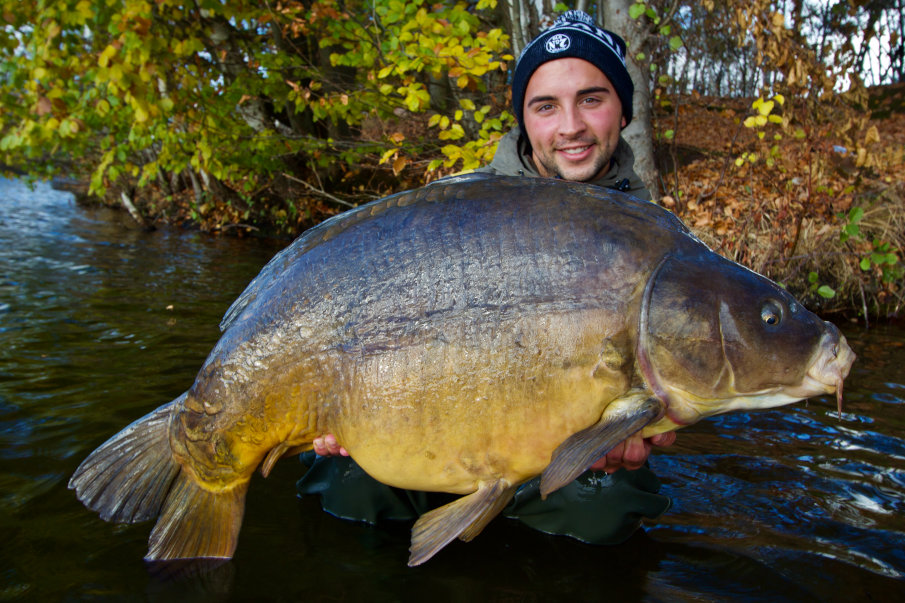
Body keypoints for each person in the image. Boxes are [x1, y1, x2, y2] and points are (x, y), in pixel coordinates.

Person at [297, 10, 674, 546]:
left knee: (603, 508)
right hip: (429, 434)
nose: (571, 126)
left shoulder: (656, 244)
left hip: (555, 457)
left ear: (622, 109)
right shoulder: (457, 212)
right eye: (546, 106)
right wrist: (342, 401)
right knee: (348, 483)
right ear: (524, 119)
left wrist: (651, 432)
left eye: (591, 98)